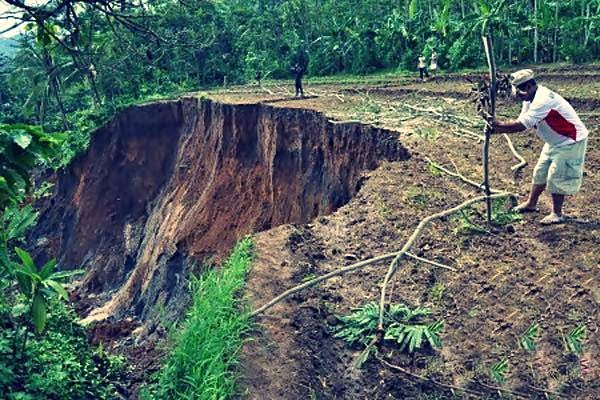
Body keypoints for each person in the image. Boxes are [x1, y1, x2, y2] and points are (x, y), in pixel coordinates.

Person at [492, 69, 589, 225]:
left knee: (557, 176)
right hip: (554, 141)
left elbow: (521, 126)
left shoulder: (543, 100)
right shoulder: (528, 98)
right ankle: (531, 203)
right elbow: (521, 119)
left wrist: (498, 126)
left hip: (569, 140)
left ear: (530, 86)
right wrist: (498, 128)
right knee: (540, 172)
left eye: (521, 91)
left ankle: (557, 213)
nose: (518, 95)